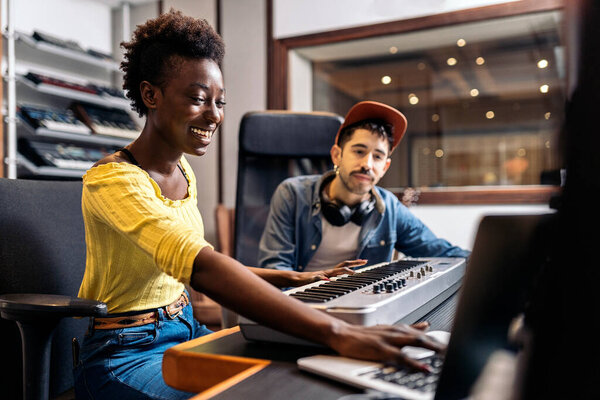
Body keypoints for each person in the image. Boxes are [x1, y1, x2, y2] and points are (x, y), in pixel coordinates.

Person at [73, 11, 445, 400]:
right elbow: (198, 263)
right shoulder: (113, 180)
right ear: (151, 95)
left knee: (296, 382)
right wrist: (338, 330)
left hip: (186, 329)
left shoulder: (183, 170)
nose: (215, 115)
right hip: (125, 352)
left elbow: (196, 259)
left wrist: (292, 278)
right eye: (199, 99)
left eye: (220, 102)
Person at [258, 101, 470, 273]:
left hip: (359, 314)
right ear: (337, 155)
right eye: (359, 151)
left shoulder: (390, 208)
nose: (367, 164)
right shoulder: (292, 194)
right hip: (298, 309)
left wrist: (493, 263)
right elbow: (275, 270)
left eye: (377, 157)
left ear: (385, 166)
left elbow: (441, 251)